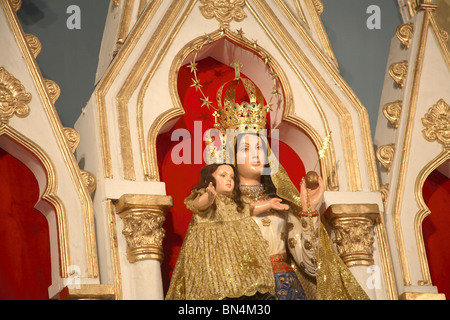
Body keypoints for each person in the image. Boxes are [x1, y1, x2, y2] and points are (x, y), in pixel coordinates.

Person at [233, 131, 369, 300]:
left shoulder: (281, 205)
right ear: (232, 159)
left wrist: (307, 211)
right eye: (245, 149)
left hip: (285, 288)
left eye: (260, 148)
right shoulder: (223, 206)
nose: (255, 154)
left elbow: (312, 266)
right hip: (242, 290)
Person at [165, 163, 281, 300]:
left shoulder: (237, 202)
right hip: (215, 259)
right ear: (210, 180)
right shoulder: (207, 198)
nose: (229, 179)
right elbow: (199, 205)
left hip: (241, 260)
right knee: (221, 288)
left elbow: (251, 209)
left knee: (251, 286)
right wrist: (209, 196)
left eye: (232, 177)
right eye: (223, 175)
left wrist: (269, 204)